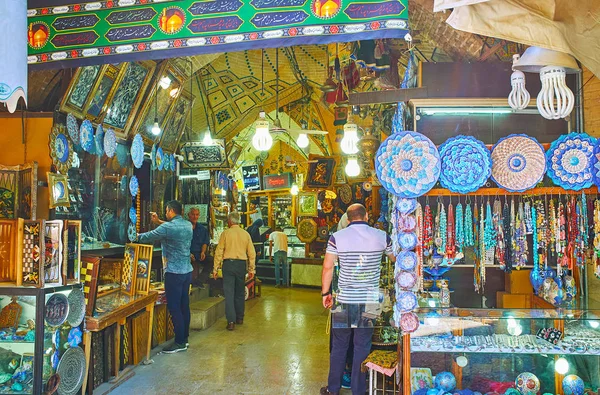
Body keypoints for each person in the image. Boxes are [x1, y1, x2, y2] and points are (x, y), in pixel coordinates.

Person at [320, 204, 395, 395]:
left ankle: (333, 389)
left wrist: (325, 293)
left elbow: (328, 267)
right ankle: (359, 390)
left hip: (344, 298)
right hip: (370, 300)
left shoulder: (337, 237)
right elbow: (396, 259)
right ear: (367, 216)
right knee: (362, 346)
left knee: (339, 346)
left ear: (347, 218)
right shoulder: (382, 236)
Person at [138, 200, 193, 354]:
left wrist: (132, 236)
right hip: (186, 271)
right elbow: (169, 228)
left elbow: (148, 236)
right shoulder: (187, 225)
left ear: (169, 210)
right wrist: (158, 221)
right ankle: (185, 338)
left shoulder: (168, 228)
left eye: (166, 211)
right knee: (184, 306)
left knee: (174, 307)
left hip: (174, 273)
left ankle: (179, 342)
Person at [212, 212, 256, 331]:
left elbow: (219, 252)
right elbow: (252, 253)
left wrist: (215, 269)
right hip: (241, 265)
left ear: (230, 221)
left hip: (229, 265)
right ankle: (240, 318)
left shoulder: (225, 233)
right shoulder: (245, 234)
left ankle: (231, 321)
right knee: (240, 292)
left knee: (229, 293)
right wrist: (252, 269)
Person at [188, 207, 210, 287]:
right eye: (193, 214)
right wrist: (188, 254)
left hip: (198, 253)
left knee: (210, 261)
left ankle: (199, 281)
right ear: (189, 215)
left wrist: (203, 252)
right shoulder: (184, 228)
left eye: (197, 215)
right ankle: (188, 284)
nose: (195, 217)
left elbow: (205, 242)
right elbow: (181, 243)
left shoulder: (202, 229)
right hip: (187, 254)